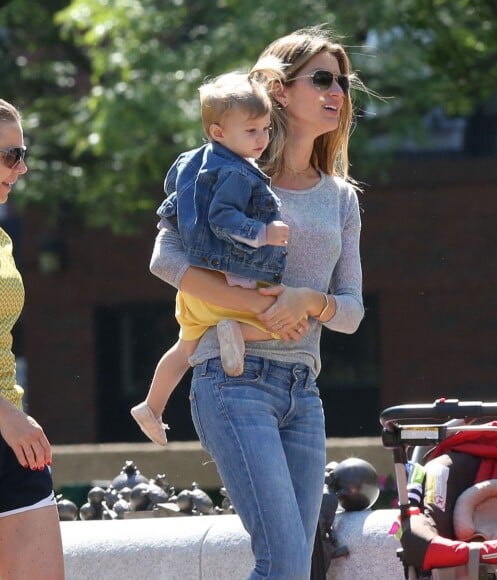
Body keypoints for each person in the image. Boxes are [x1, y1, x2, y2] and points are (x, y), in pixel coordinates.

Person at [150, 26, 364, 579]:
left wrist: (309, 301)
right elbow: (166, 261)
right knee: (283, 562)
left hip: (303, 390)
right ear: (279, 89)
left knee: (298, 561)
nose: (337, 90)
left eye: (341, 80)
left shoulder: (341, 197)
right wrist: (256, 309)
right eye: (321, 78)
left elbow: (352, 311)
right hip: (232, 376)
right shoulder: (225, 172)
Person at [131, 63, 291, 446]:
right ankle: (230, 336)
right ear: (219, 132)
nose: (262, 138)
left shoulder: (192, 161)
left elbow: (176, 198)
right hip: (226, 280)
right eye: (251, 131)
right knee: (284, 324)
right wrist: (263, 232)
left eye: (266, 128)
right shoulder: (236, 173)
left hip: (196, 288)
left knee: (185, 348)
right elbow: (223, 219)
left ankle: (151, 406)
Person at [0, 89, 65, 579]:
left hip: (8, 433)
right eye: (11, 155)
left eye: (24, 155)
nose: (23, 168)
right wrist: (6, 416)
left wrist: (10, 420)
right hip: (5, 419)